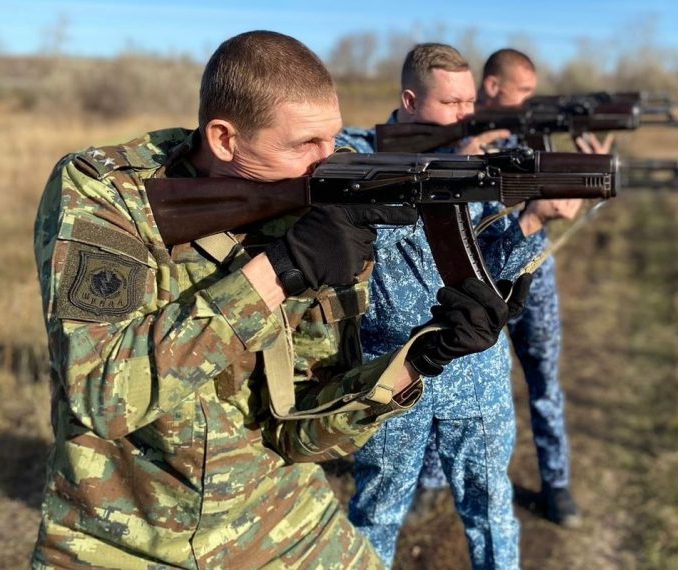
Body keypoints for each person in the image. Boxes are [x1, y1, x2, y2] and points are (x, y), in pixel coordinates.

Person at [31, 31, 521, 569]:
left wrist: (425, 356)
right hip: (125, 536)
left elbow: (302, 434)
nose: (327, 161)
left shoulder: (322, 199)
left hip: (280, 512)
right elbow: (101, 397)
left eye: (333, 140)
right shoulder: (109, 194)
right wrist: (281, 269)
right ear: (224, 138)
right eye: (305, 145)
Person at [337, 43, 573, 569]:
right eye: (452, 104)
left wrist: (532, 223)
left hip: (476, 375)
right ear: (409, 101)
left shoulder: (480, 164)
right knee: (376, 513)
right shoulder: (355, 154)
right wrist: (431, 176)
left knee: (491, 514)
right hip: (395, 377)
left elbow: (494, 281)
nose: (469, 116)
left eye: (471, 102)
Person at [416, 48, 614, 528]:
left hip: (530, 272)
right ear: (492, 87)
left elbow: (552, 191)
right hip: (472, 280)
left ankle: (556, 481)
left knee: (544, 372)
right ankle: (431, 481)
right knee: (449, 373)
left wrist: (587, 175)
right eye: (523, 90)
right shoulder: (451, 140)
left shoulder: (529, 134)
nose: (530, 101)